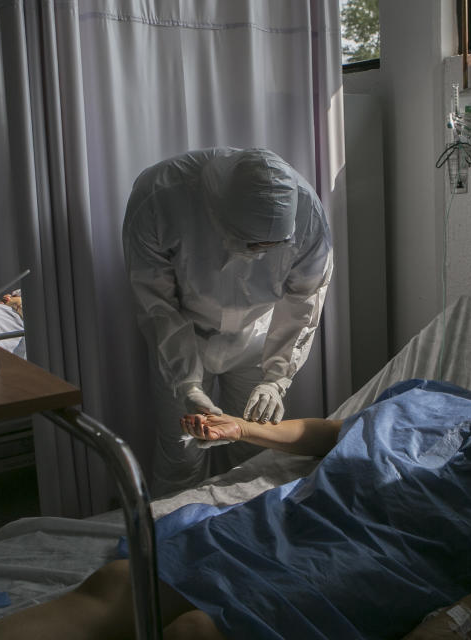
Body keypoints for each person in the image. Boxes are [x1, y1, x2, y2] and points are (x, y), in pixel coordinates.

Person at [0, 316, 471, 640]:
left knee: (198, 633)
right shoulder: (424, 389)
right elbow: (337, 434)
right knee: (117, 584)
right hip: (296, 516)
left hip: (393, 556)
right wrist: (241, 430)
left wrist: (462, 619)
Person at [122, 147, 333, 496]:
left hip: (256, 338)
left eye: (272, 245)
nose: (261, 255)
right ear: (217, 215)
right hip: (183, 335)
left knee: (255, 452)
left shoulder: (308, 215)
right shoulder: (159, 198)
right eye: (252, 244)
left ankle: (248, 529)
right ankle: (170, 535)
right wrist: (188, 383)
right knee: (181, 453)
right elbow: (157, 306)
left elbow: (304, 300)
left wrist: (277, 377)